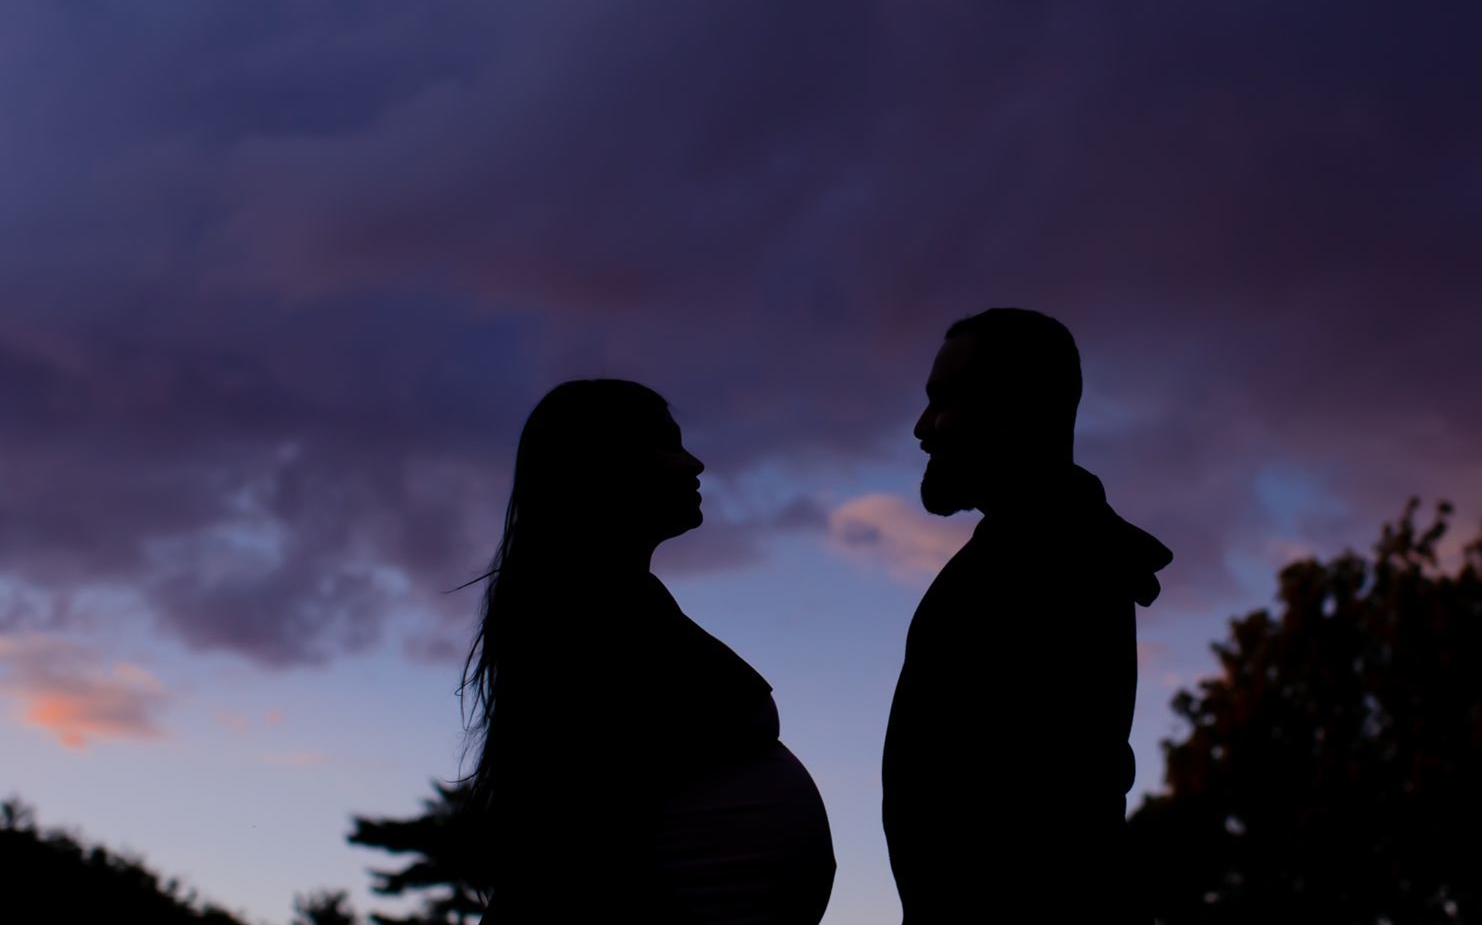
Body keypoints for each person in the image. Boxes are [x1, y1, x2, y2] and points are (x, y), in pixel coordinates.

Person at [458, 379, 835, 923]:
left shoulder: (615, 605)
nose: (695, 463)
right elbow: (582, 826)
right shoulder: (582, 617)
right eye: (669, 444)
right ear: (604, 464)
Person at [883, 309, 1174, 922]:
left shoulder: (1048, 566)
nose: (922, 427)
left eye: (943, 400)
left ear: (1010, 413)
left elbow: (1038, 818)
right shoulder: (1039, 551)